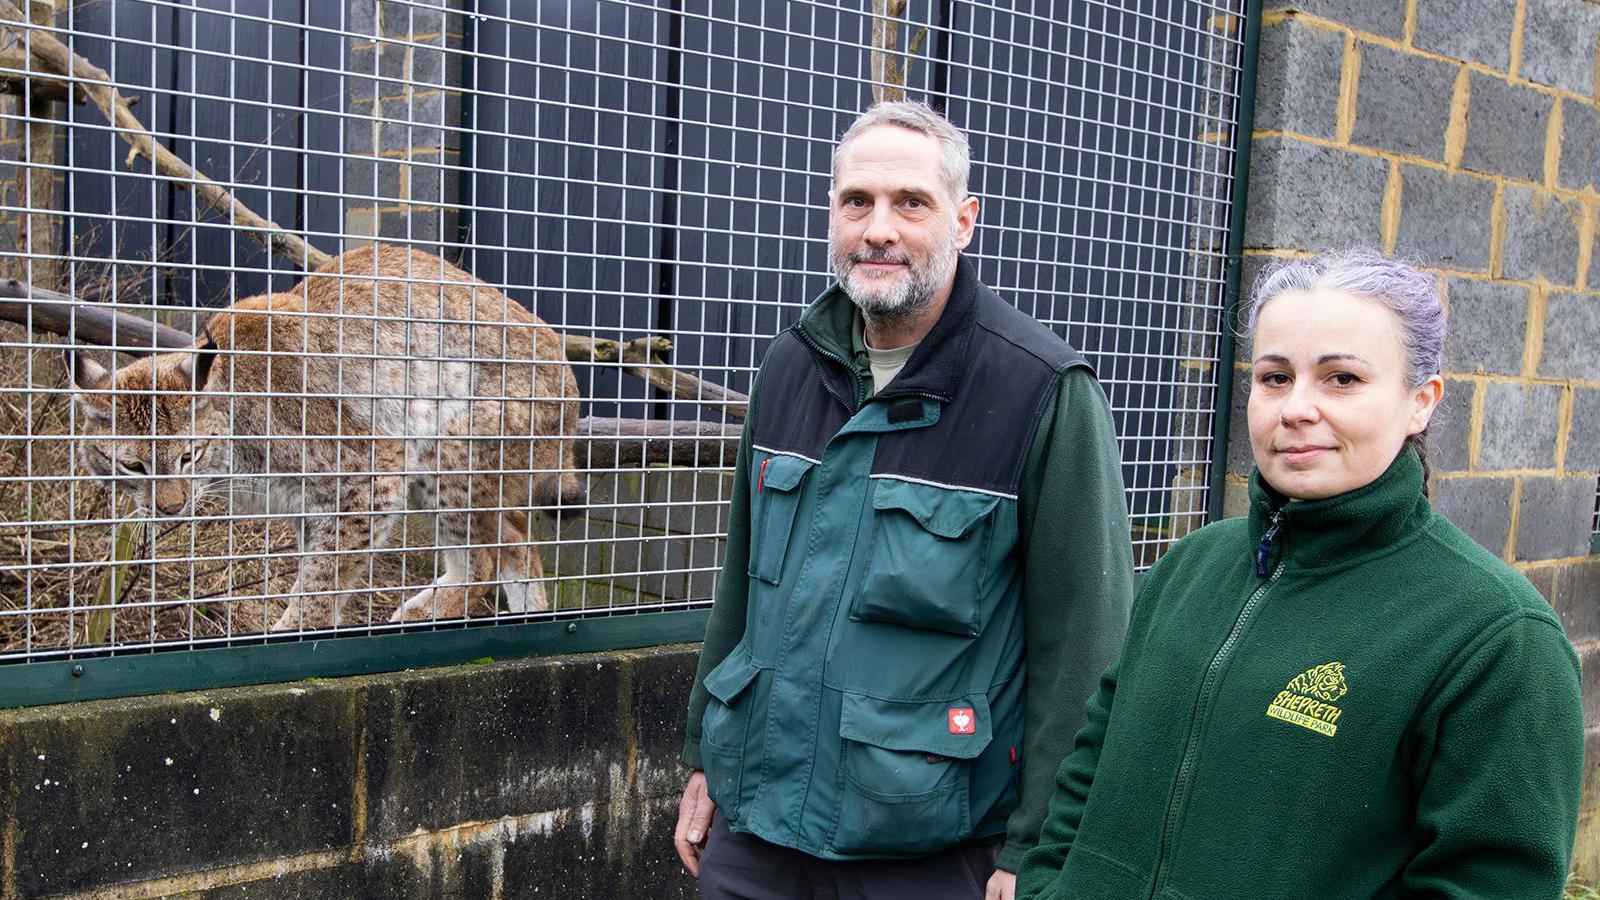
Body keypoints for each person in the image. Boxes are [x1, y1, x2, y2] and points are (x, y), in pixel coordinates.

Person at [1016, 251, 1585, 900]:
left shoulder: (1498, 637)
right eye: (1275, 377)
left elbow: (1488, 883)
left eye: (1342, 379)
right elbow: (1090, 765)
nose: (1297, 408)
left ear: (1420, 401)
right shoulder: (1189, 567)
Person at [673, 100, 1135, 900]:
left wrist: (1038, 849)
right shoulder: (789, 366)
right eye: (858, 202)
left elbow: (1085, 650)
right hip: (759, 832)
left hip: (928, 844)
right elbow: (741, 585)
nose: (877, 228)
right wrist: (706, 758)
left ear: (963, 220)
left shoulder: (1041, 392)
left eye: (909, 203)